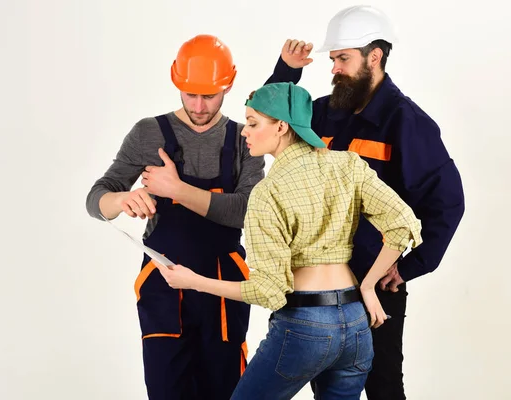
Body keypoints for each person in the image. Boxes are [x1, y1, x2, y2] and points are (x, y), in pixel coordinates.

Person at [154, 81, 423, 400]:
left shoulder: (268, 194)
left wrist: (194, 281)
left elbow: (269, 291)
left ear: (281, 126)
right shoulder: (348, 165)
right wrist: (368, 285)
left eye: (253, 123)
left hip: (305, 326)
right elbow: (403, 223)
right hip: (355, 323)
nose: (244, 132)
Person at [264, 5, 466, 400]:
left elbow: (447, 202)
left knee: (383, 385)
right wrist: (287, 71)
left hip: (372, 286)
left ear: (375, 57)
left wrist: (408, 267)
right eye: (334, 59)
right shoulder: (322, 113)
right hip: (315, 284)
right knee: (327, 388)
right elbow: (269, 122)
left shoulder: (407, 123)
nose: (334, 68)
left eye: (343, 59)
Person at [85, 35, 266, 400]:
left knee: (225, 387)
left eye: (210, 96)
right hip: (164, 284)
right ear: (176, 82)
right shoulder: (148, 133)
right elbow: (96, 200)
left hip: (223, 284)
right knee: (167, 389)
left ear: (228, 84)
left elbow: (247, 211)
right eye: (190, 94)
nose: (199, 106)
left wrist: (178, 190)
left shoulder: (244, 137)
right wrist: (124, 198)